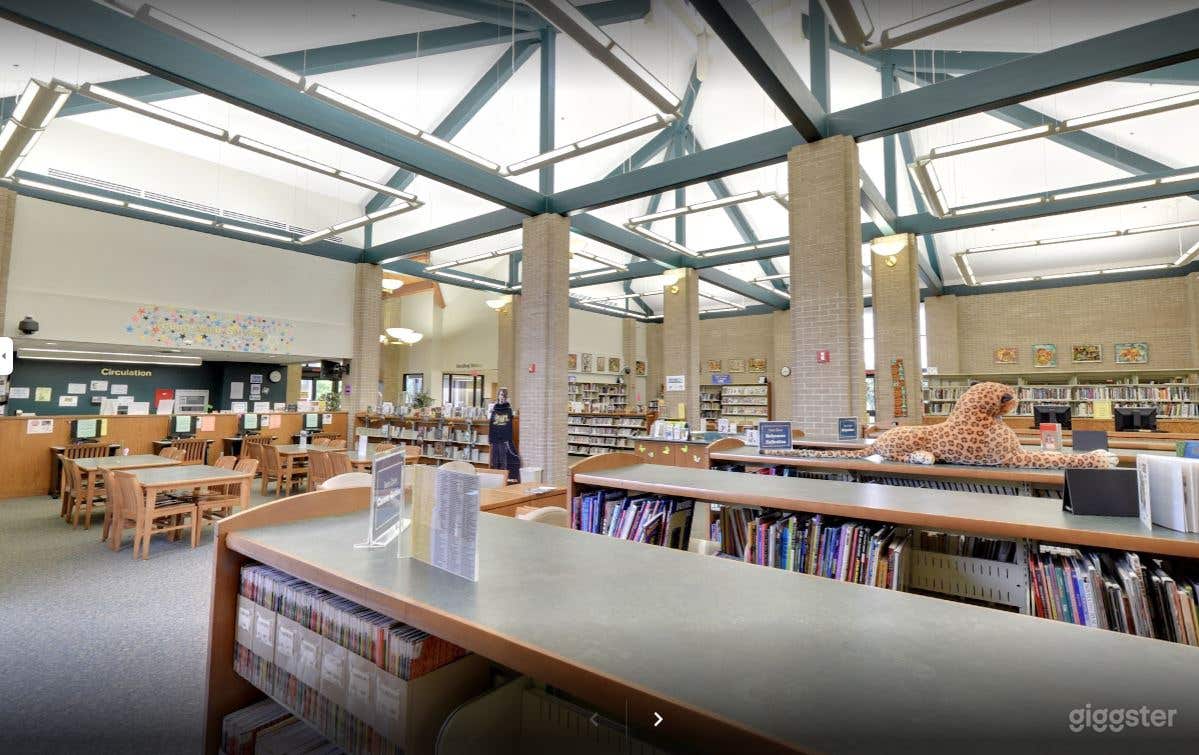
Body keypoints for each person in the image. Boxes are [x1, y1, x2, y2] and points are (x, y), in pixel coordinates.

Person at [488, 388, 520, 481]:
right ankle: (495, 479)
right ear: (498, 396)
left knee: (503, 460)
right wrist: (491, 439)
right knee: (495, 460)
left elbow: (509, 426)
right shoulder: (494, 410)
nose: (501, 397)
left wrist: (508, 438)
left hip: (504, 439)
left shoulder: (508, 410)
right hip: (495, 439)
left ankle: (503, 479)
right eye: (500, 395)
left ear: (505, 397)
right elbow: (491, 425)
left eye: (503, 395)